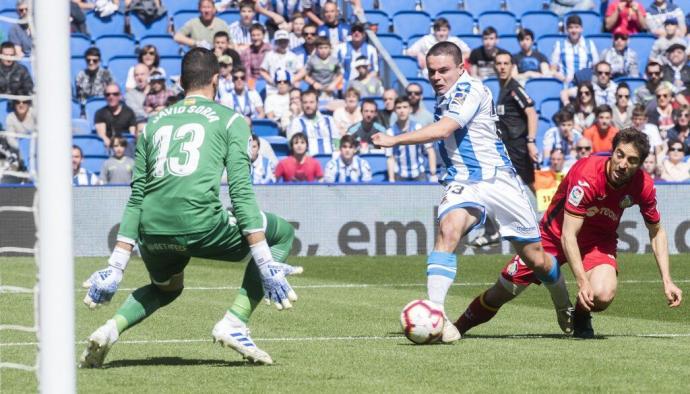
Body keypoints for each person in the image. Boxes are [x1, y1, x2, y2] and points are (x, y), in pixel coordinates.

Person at [79, 48, 301, 369]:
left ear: (181, 82)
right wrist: (265, 262)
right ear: (217, 79)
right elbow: (240, 193)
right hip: (202, 224)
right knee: (282, 233)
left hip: (152, 231)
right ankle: (235, 322)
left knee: (166, 288)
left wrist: (116, 266)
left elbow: (137, 195)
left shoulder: (152, 124)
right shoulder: (232, 120)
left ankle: (109, 330)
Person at [371, 42, 571, 342]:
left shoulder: (470, 90)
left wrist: (394, 139)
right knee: (448, 229)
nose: (437, 77)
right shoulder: (445, 95)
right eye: (431, 71)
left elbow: (443, 130)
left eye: (443, 70)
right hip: (463, 181)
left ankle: (563, 304)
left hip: (498, 180)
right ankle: (435, 313)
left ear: (461, 67)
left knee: (536, 259)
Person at [454, 129, 683, 338]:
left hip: (598, 242)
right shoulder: (587, 175)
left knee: (602, 294)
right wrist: (583, 282)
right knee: (502, 292)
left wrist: (667, 280)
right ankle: (456, 328)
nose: (623, 164)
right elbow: (568, 235)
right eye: (619, 155)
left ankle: (581, 316)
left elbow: (657, 232)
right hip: (553, 236)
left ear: (640, 165)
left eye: (632, 160)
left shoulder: (644, 185)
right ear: (612, 152)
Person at [469, 51, 538, 247]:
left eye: (506, 63)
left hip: (518, 148)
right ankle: (494, 230)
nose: (501, 67)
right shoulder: (502, 89)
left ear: (512, 66)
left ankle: (558, 219)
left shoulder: (515, 89)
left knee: (529, 187)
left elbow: (532, 113)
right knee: (494, 187)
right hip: (506, 149)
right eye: (498, 63)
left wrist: (531, 141)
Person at [385, 96, 437, 182]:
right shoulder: (390, 132)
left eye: (405, 107)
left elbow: (430, 150)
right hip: (400, 175)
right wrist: (391, 179)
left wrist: (433, 174)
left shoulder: (418, 127)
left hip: (419, 173)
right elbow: (390, 157)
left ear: (410, 109)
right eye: (398, 108)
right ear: (394, 110)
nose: (402, 111)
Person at [406, 17, 471, 73]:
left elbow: (469, 52)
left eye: (444, 30)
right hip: (430, 70)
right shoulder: (426, 40)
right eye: (438, 30)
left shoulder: (455, 41)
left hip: (451, 70)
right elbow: (408, 52)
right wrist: (418, 54)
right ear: (434, 31)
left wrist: (462, 57)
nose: (441, 33)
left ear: (449, 31)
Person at [550, 15, 599, 84]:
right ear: (566, 30)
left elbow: (596, 67)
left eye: (576, 27)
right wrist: (563, 79)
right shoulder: (559, 45)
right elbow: (553, 69)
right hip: (565, 83)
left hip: (586, 85)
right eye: (571, 28)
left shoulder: (590, 44)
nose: (574, 30)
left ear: (581, 29)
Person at [287, 89, 338, 155]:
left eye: (311, 102)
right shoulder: (297, 122)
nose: (308, 105)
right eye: (305, 102)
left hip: (330, 161)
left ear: (317, 103)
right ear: (301, 104)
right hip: (308, 162)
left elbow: (336, 141)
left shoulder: (329, 120)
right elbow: (294, 145)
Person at [260, 30, 303, 96]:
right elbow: (262, 71)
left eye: (285, 41)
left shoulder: (292, 56)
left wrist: (292, 80)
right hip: (273, 90)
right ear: (276, 42)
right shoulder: (269, 55)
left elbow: (302, 71)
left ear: (288, 42)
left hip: (288, 90)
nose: (283, 44)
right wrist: (272, 81)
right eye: (280, 42)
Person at [94, 83, 137, 148]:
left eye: (115, 94)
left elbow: (131, 135)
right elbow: (102, 135)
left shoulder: (129, 112)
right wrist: (114, 147)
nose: (111, 97)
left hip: (126, 146)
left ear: (120, 96)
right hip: (108, 147)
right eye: (108, 94)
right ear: (105, 97)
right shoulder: (100, 113)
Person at [124, 63, 149, 133]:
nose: (139, 78)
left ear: (148, 75)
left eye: (142, 74)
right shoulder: (129, 95)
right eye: (136, 75)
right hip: (140, 128)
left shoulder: (158, 91)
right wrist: (155, 113)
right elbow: (137, 113)